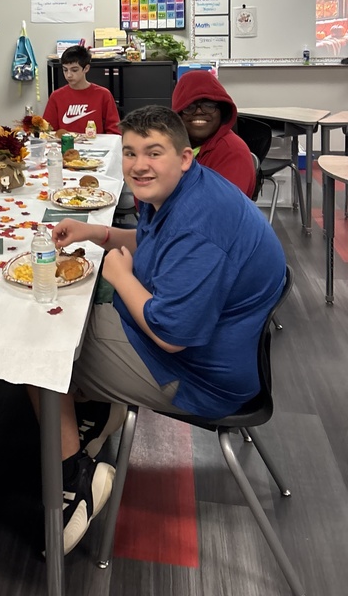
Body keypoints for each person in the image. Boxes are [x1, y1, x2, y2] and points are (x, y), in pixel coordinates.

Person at [51, 106, 286, 554]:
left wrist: (120, 277)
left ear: (184, 156)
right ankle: (100, 412)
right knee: (75, 310)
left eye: (154, 153)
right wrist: (98, 233)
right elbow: (156, 244)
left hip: (197, 374)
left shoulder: (201, 223)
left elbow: (171, 335)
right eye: (131, 152)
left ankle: (71, 481)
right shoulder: (186, 191)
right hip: (210, 350)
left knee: (44, 347)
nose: (140, 165)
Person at [171, 70, 256, 198]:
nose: (199, 111)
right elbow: (145, 201)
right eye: (189, 106)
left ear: (222, 111)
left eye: (209, 105)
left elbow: (220, 211)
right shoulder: (170, 146)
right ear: (178, 114)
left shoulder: (233, 152)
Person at [43, 45, 121, 135]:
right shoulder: (56, 96)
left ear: (86, 68)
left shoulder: (103, 95)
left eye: (74, 70)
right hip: (65, 146)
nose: (68, 75)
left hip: (96, 146)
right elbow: (47, 131)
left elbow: (114, 132)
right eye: (65, 70)